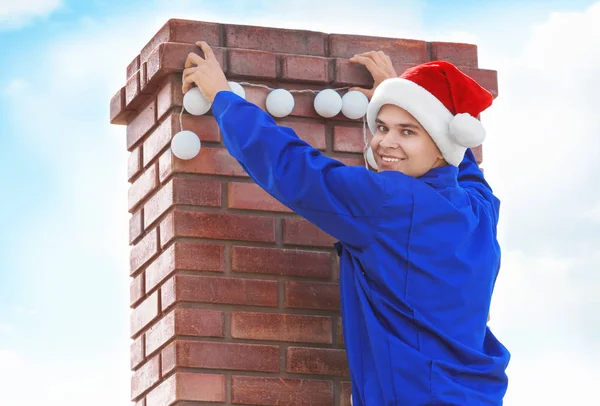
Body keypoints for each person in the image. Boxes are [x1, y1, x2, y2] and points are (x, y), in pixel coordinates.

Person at [183, 41, 510, 405]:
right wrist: (400, 92)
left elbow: (297, 169)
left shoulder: (390, 201)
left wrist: (224, 99)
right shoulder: (480, 210)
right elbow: (463, 165)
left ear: (440, 144)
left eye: (408, 132)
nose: (386, 142)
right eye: (383, 126)